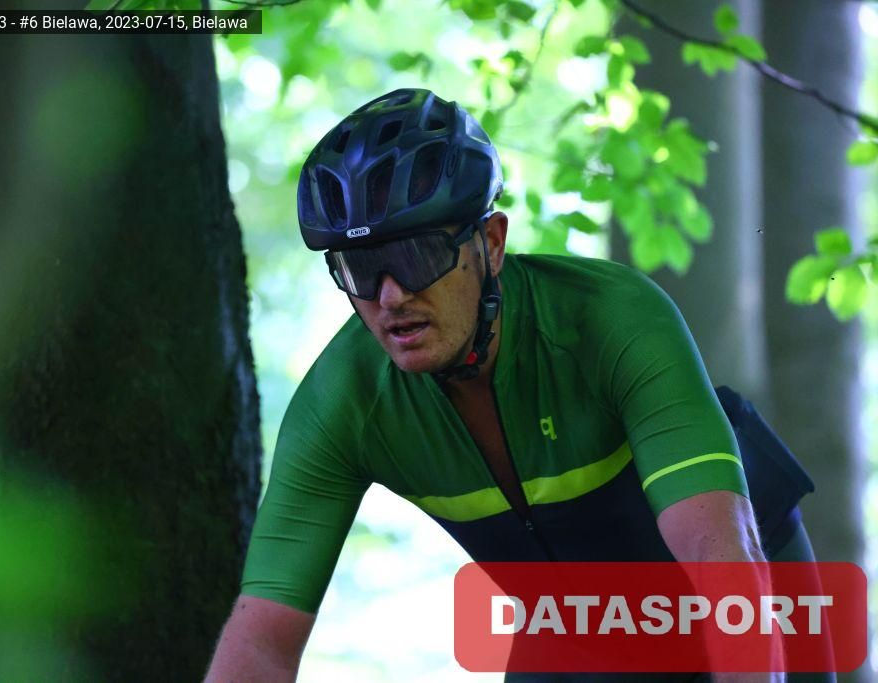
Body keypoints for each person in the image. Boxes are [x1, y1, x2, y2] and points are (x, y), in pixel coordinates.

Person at [204, 88, 824, 682]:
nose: (390, 296)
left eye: (417, 257)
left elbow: (720, 561)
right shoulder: (344, 402)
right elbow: (262, 640)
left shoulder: (612, 319)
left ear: (492, 244)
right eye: (359, 268)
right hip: (572, 630)